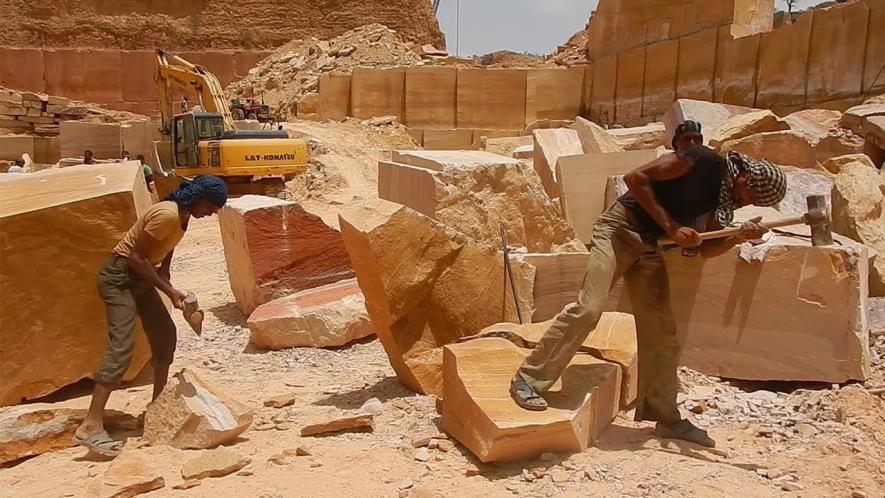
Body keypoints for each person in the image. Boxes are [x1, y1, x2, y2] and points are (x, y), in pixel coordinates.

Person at [509, 121, 787, 448]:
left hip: (651, 247)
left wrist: (738, 236)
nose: (749, 202)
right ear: (747, 178)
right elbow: (635, 178)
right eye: (752, 196)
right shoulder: (703, 161)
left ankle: (666, 417)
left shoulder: (725, 202)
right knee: (589, 308)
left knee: (663, 331)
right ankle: (528, 379)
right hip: (618, 231)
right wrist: (672, 227)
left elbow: (703, 250)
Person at [73, 176, 228, 457]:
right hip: (119, 279)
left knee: (165, 336)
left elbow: (164, 254)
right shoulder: (167, 215)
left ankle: (157, 407)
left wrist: (172, 286)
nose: (212, 213)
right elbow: (135, 258)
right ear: (198, 197)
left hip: (141, 279)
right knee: (122, 346)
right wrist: (169, 291)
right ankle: (91, 425)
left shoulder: (182, 217)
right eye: (211, 206)